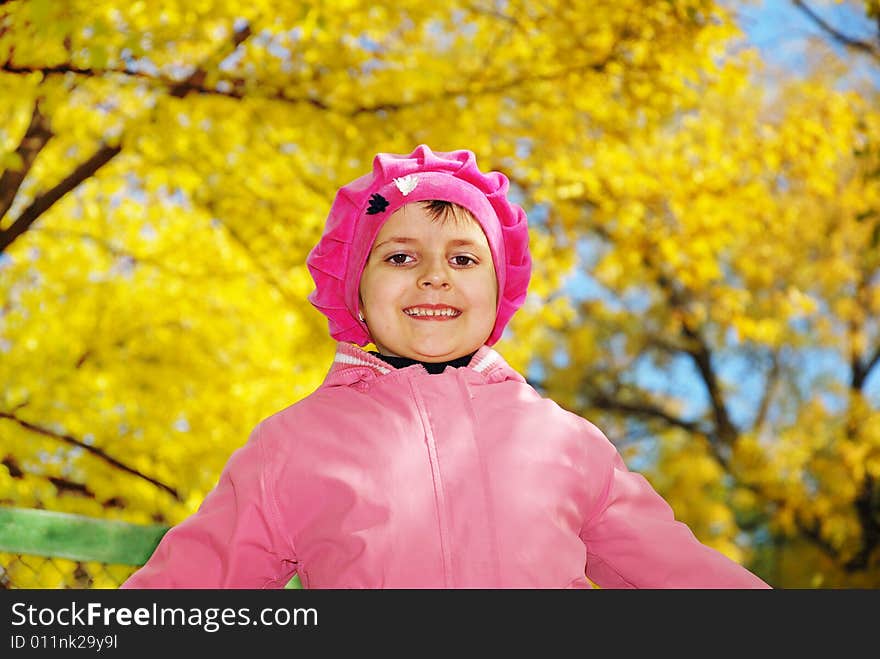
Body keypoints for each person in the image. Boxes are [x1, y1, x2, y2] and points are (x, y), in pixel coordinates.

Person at [121, 145, 770, 588]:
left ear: (499, 293)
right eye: (400, 257)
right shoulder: (295, 445)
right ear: (356, 293)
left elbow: (686, 576)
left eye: (463, 259)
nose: (434, 276)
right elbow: (192, 581)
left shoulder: (568, 445)